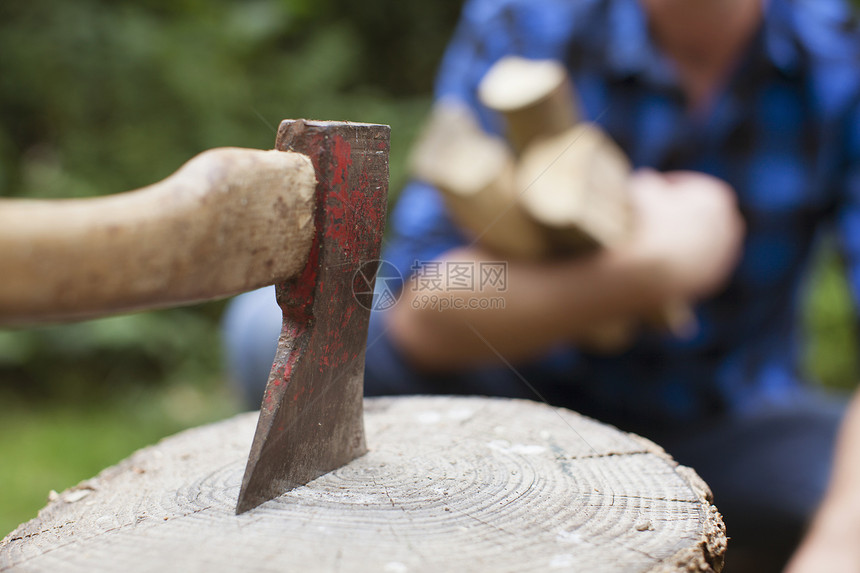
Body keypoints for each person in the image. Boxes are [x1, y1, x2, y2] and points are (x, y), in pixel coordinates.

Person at [223, 0, 860, 570]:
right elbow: (425, 307)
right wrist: (650, 270)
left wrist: (836, 548)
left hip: (731, 429)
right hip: (518, 410)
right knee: (266, 331)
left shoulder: (839, 59)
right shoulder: (529, 20)